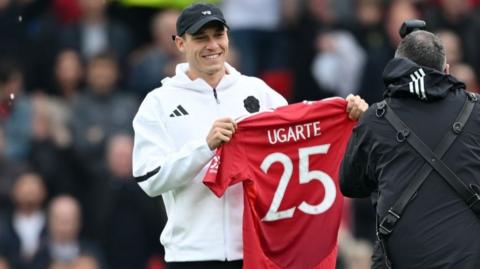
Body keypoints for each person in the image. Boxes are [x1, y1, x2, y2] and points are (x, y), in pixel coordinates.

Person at [132, 3, 367, 269]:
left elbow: (300, 143)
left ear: (228, 37)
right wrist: (204, 147)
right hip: (190, 256)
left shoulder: (258, 92)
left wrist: (346, 116)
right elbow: (149, 178)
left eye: (218, 35)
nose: (212, 45)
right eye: (200, 38)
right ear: (180, 44)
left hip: (256, 252)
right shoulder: (159, 102)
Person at [339, 29, 480, 268]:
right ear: (446, 70)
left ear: (396, 68)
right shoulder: (476, 112)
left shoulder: (375, 120)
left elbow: (350, 184)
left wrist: (364, 125)